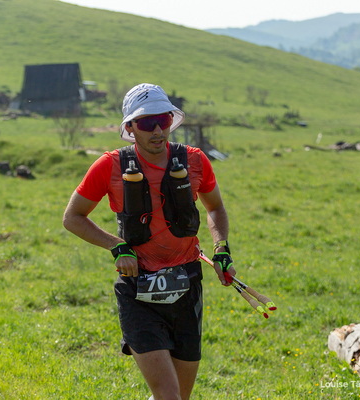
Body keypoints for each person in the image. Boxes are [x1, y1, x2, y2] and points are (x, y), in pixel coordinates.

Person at [63, 83, 236, 400]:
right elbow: (72, 217)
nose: (157, 130)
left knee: (178, 397)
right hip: (137, 289)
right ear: (130, 127)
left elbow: (215, 208)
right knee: (168, 394)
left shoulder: (195, 160)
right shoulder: (110, 165)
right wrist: (117, 246)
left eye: (163, 120)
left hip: (187, 285)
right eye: (146, 122)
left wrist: (221, 249)